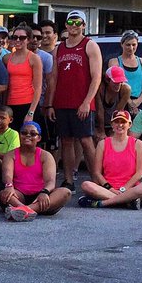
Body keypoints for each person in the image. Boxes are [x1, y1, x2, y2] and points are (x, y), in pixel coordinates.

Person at [47, 10, 102, 189]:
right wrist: (50, 104)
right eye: (71, 22)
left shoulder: (90, 45)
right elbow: (54, 78)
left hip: (82, 102)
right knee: (66, 141)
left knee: (86, 140)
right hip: (63, 102)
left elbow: (96, 77)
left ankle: (97, 178)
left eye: (78, 23)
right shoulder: (59, 48)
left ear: (84, 25)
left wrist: (87, 101)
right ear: (66, 24)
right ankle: (69, 179)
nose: (74, 25)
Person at [0, 121, 70, 220]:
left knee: (65, 192)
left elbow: (50, 181)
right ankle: (27, 210)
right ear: (20, 135)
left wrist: (45, 192)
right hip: (19, 194)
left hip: (41, 195)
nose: (28, 136)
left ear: (39, 138)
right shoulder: (11, 154)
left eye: (33, 134)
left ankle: (24, 210)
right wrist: (9, 186)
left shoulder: (46, 156)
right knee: (5, 194)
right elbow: (7, 175)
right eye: (24, 133)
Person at [78, 110, 142, 209]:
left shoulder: (138, 144)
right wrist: (111, 189)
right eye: (116, 122)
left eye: (123, 122)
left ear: (129, 125)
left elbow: (139, 173)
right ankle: (127, 201)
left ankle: (103, 203)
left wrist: (124, 189)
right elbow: (97, 172)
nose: (120, 125)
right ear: (112, 124)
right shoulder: (102, 144)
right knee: (86, 185)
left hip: (130, 188)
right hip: (108, 188)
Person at [3, 25, 43, 129]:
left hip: (28, 103)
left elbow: (38, 87)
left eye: (22, 38)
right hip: (10, 104)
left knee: (28, 138)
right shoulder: (6, 58)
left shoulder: (34, 58)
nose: (17, 40)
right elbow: (5, 84)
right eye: (15, 37)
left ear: (28, 40)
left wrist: (31, 112)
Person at [104, 31, 142, 117]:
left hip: (139, 101)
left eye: (134, 45)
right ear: (122, 44)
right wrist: (129, 102)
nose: (131, 48)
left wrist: (137, 102)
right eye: (128, 45)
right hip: (121, 100)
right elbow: (113, 84)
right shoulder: (114, 62)